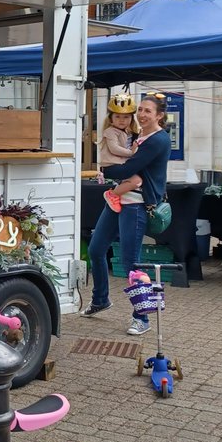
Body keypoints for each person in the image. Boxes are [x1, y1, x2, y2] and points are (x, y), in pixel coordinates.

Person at [85, 94, 172, 335]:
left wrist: (106, 168)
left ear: (159, 116)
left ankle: (141, 318)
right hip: (118, 200)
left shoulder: (157, 140)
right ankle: (101, 299)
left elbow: (127, 168)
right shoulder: (136, 136)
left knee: (132, 263)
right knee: (95, 249)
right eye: (141, 110)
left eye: (148, 111)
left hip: (136, 204)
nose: (142, 115)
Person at [100, 92, 143, 213]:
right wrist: (131, 153)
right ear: (111, 119)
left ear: (131, 119)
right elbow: (114, 148)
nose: (122, 120)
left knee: (137, 179)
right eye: (117, 117)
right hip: (111, 166)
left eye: (126, 117)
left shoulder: (127, 133)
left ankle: (118, 195)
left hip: (120, 165)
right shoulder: (110, 131)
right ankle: (112, 194)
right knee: (137, 181)